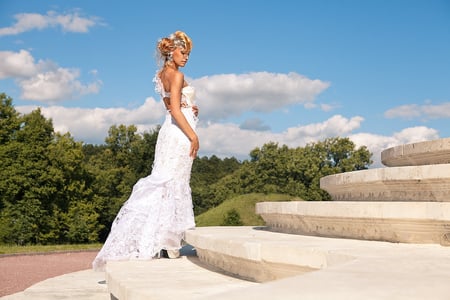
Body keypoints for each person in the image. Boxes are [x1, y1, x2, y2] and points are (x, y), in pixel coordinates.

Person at [92, 30, 199, 271]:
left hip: (168, 133)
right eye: (183, 52)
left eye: (189, 54)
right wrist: (193, 135)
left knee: (165, 183)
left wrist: (190, 107)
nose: (186, 58)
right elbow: (174, 109)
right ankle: (169, 243)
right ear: (171, 51)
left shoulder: (162, 74)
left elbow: (170, 105)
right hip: (180, 134)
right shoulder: (178, 75)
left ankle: (162, 240)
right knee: (174, 182)